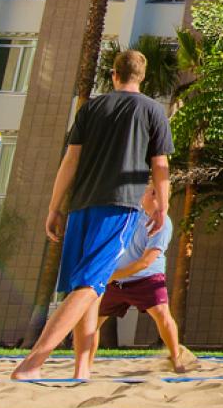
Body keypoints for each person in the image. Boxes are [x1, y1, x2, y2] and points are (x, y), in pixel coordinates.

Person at [13, 50, 171, 380]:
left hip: (82, 205)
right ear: (142, 77)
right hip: (119, 206)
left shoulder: (92, 107)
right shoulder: (153, 111)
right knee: (88, 286)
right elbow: (160, 166)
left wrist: (55, 206)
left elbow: (69, 161)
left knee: (92, 290)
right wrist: (164, 206)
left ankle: (82, 369)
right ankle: (32, 364)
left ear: (114, 75)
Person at [91, 184, 195, 373]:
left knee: (163, 315)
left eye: (154, 192)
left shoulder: (162, 224)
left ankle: (177, 360)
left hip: (146, 279)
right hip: (116, 281)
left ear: (163, 198)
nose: (147, 194)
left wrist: (110, 275)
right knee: (93, 320)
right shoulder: (132, 215)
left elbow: (145, 262)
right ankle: (85, 365)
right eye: (149, 190)